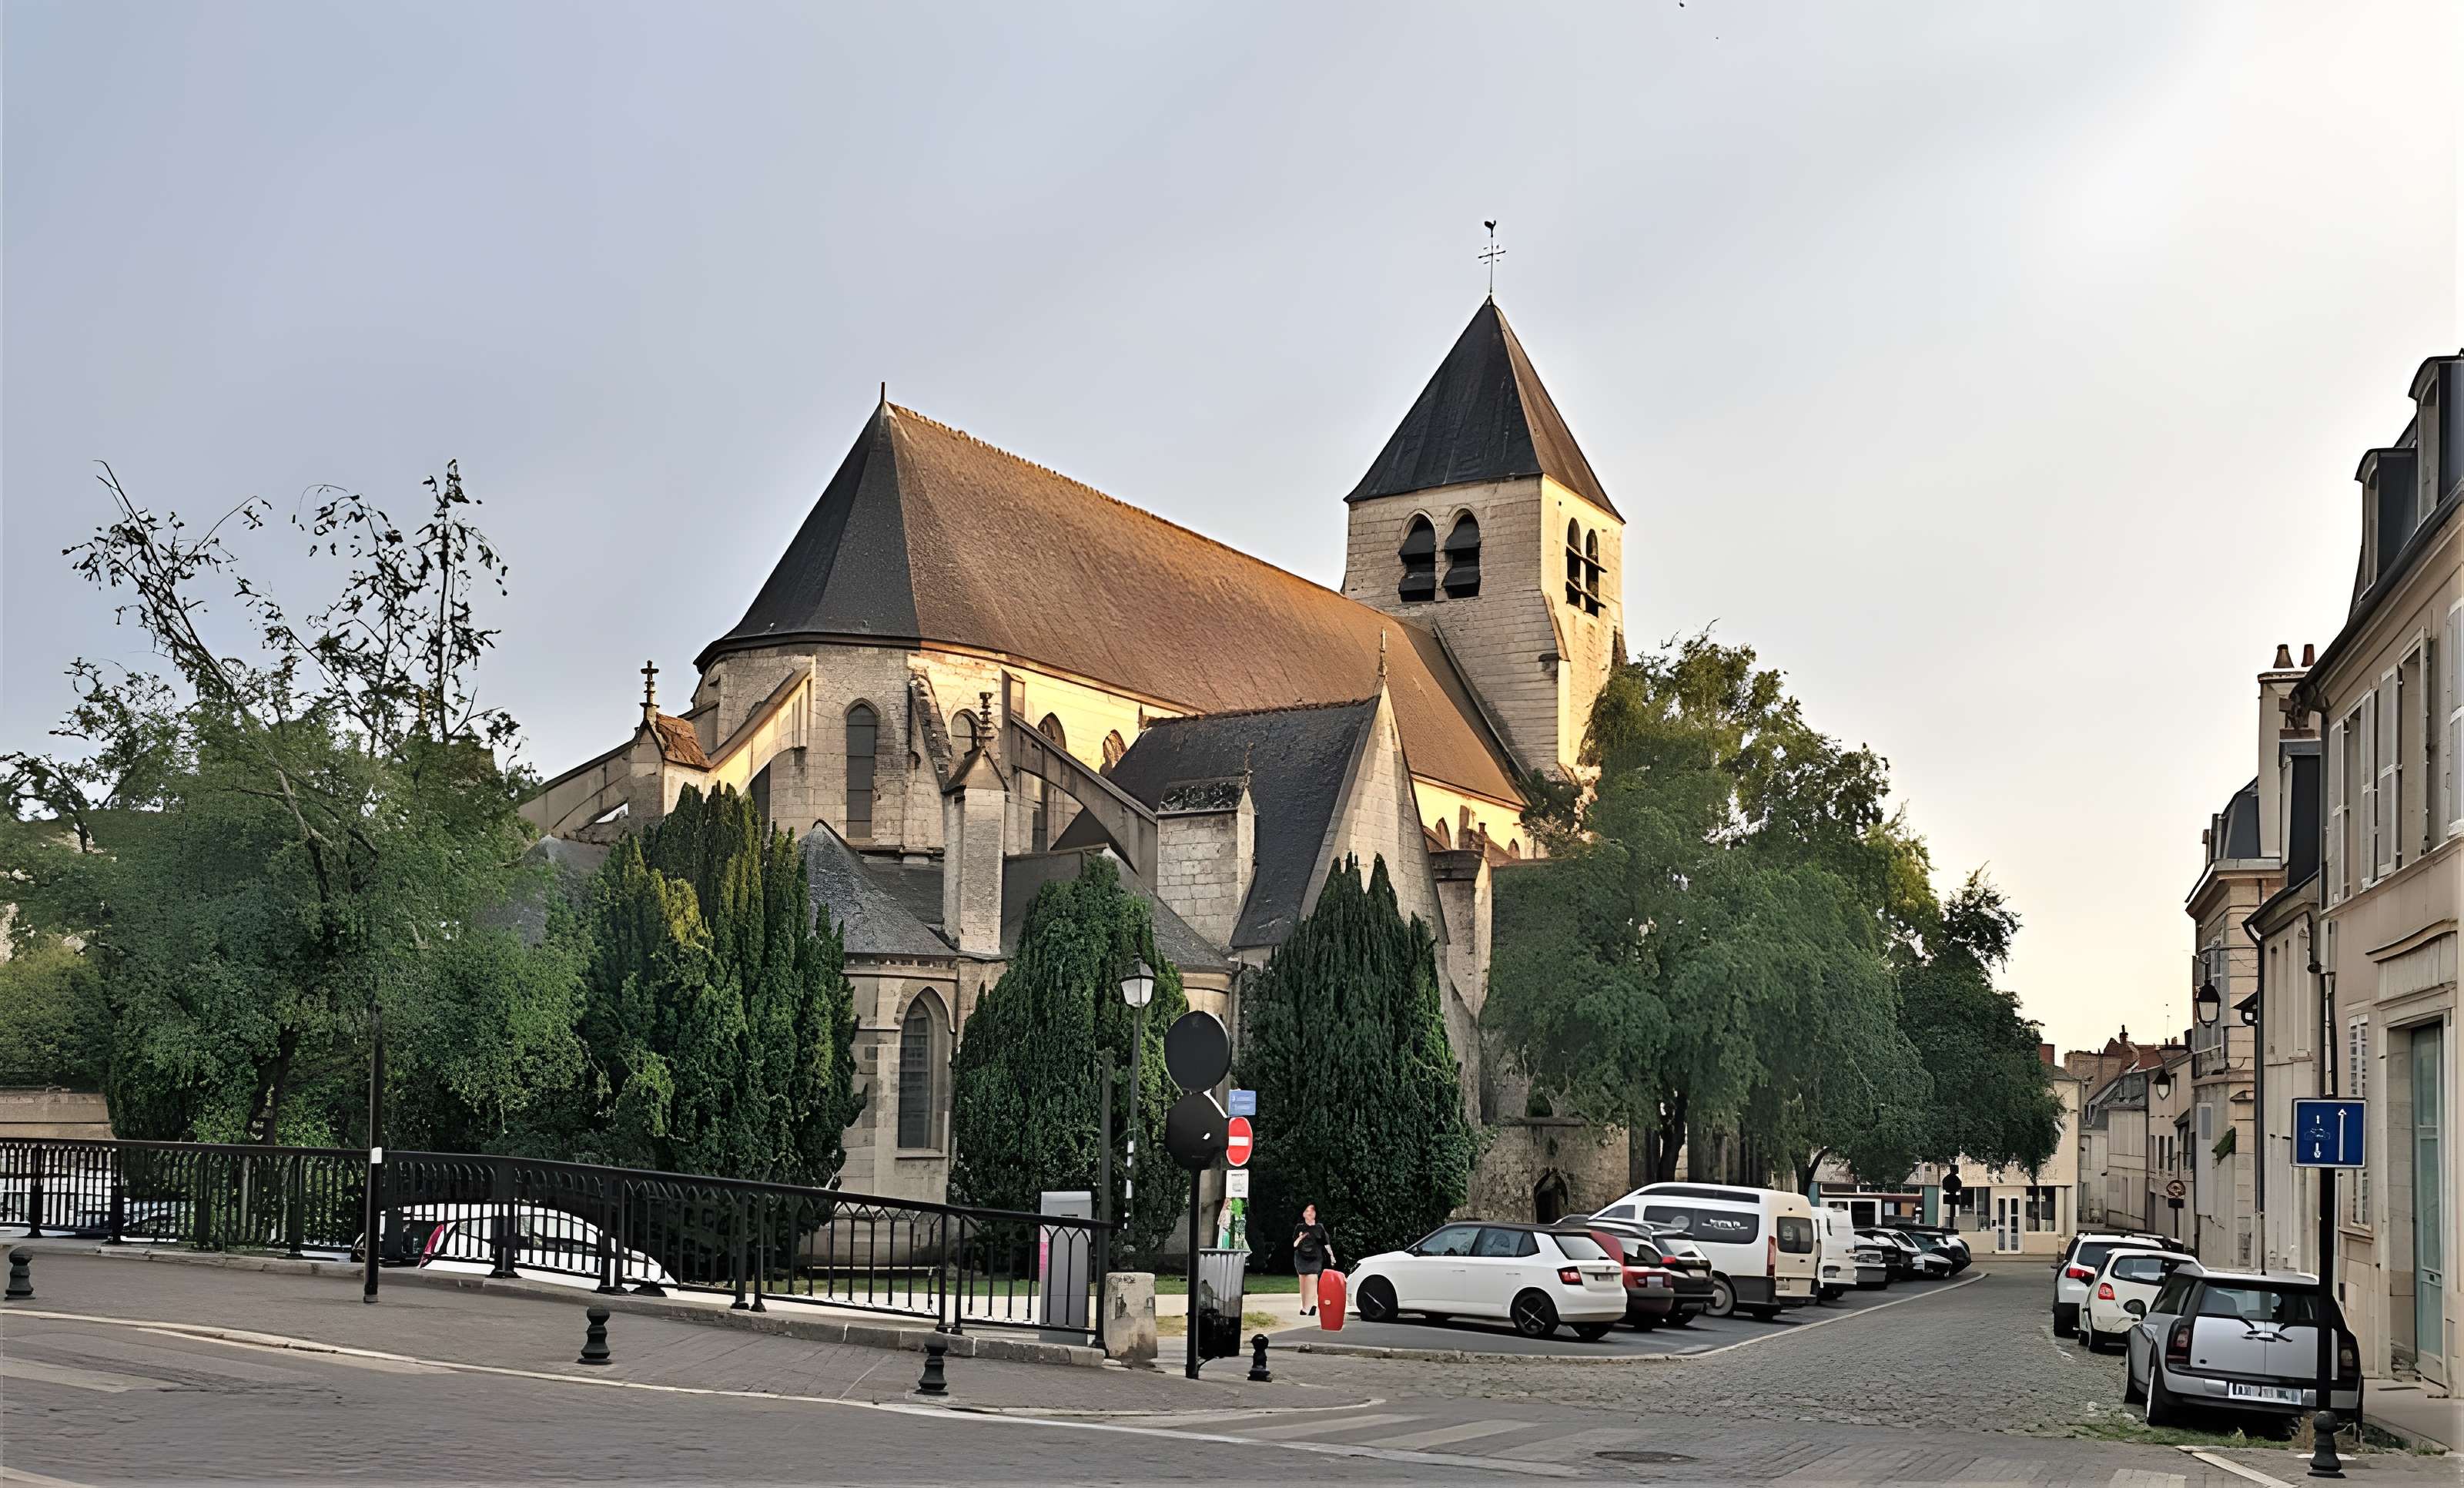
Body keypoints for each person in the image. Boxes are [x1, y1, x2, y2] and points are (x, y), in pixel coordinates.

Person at [1293, 1203, 1336, 1315]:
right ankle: (1305, 1307)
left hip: (1315, 1259)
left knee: (1312, 1280)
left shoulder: (1320, 1228)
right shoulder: (1299, 1227)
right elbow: (1295, 1244)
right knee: (1303, 1283)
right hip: (1301, 1258)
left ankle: (1312, 1306)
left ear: (1315, 1213)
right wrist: (1301, 1237)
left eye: (1312, 1210)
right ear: (1303, 1214)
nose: (1310, 1212)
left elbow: (1326, 1244)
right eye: (1307, 1210)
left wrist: (1332, 1256)